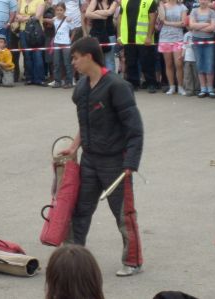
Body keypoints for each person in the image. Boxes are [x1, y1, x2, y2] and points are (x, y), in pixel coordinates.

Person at [60, 37, 144, 277]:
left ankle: (133, 261)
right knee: (79, 210)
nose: (73, 62)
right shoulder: (82, 87)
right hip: (89, 160)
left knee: (123, 214)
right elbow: (84, 122)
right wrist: (75, 146)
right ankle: (72, 258)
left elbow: (135, 129)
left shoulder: (117, 86)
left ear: (88, 56)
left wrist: (131, 164)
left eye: (75, 58)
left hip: (116, 163)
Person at [117, 0, 158, 93]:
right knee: (130, 62)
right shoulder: (124, 1)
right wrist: (119, 36)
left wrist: (149, 36)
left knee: (147, 62)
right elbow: (119, 19)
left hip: (143, 39)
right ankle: (133, 83)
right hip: (128, 38)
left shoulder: (149, 1)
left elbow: (152, 19)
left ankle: (151, 83)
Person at [157, 0, 187, 95]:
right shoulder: (163, 6)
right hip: (165, 38)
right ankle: (172, 87)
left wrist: (168, 23)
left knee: (179, 64)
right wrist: (160, 5)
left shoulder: (182, 7)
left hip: (178, 38)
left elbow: (183, 23)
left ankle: (181, 87)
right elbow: (161, 19)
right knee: (168, 64)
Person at [189, 0, 215, 98]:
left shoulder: (212, 12)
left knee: (209, 64)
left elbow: (213, 27)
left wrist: (198, 26)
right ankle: (203, 89)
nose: (203, 1)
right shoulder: (194, 11)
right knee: (200, 64)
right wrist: (206, 24)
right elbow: (191, 25)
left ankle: (210, 89)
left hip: (209, 41)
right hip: (197, 40)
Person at [16, 0, 46, 86]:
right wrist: (21, 17)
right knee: (27, 55)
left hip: (35, 31)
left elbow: (37, 16)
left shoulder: (40, 1)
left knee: (38, 55)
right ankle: (29, 78)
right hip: (23, 31)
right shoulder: (20, 1)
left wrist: (23, 18)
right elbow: (17, 13)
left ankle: (39, 78)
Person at [85, 0, 118, 72]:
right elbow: (87, 14)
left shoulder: (114, 2)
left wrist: (95, 12)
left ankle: (111, 81)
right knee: (96, 60)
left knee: (109, 60)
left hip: (109, 34)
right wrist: (102, 17)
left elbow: (110, 12)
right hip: (96, 34)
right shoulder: (95, 1)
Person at [49, 2, 74, 88]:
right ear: (55, 11)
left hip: (66, 43)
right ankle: (57, 81)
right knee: (56, 63)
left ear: (64, 11)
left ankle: (69, 81)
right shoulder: (54, 19)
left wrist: (70, 40)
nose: (59, 12)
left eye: (61, 10)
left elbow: (73, 30)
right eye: (57, 10)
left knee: (67, 63)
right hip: (56, 43)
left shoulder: (68, 19)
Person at [182, 27, 200, 96]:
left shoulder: (198, 34)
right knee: (187, 75)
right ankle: (189, 90)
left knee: (196, 75)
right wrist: (182, 55)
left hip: (196, 58)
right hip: (187, 58)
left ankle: (197, 89)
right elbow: (184, 46)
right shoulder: (186, 34)